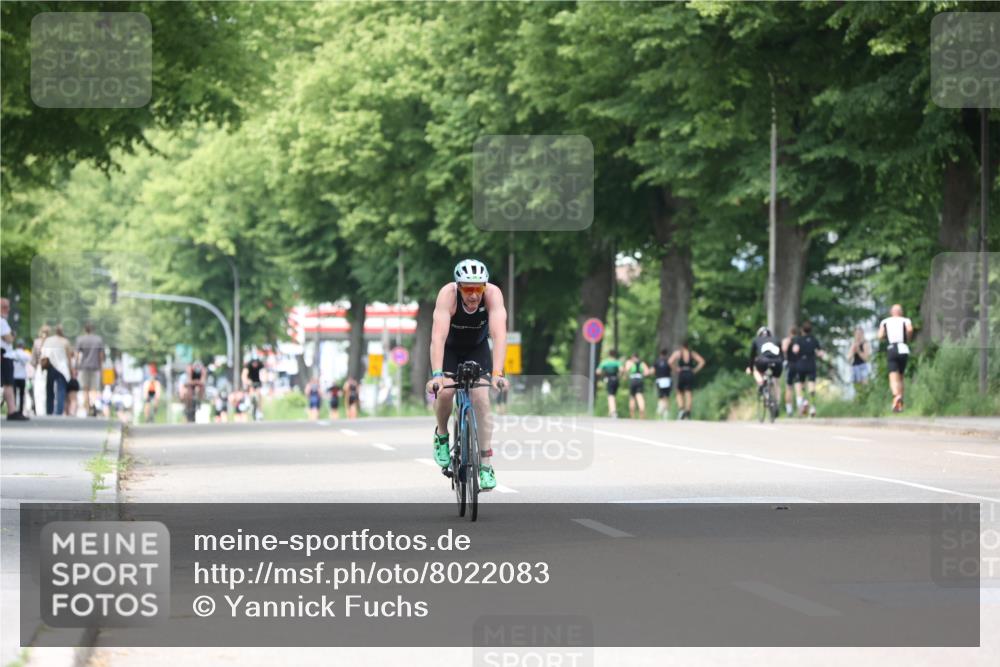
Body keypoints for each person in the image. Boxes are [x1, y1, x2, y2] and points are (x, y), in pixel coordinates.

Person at [424, 258, 508, 492]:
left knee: (481, 399)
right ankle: (441, 434)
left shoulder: (493, 295)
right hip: (449, 348)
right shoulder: (447, 296)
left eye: (478, 288)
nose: (473, 295)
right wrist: (437, 375)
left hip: (476, 348)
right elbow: (438, 337)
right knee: (445, 393)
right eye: (468, 289)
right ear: (459, 287)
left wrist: (498, 373)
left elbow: (499, 335)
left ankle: (486, 465)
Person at [878, 304, 913, 413]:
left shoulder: (885, 321)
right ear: (900, 312)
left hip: (892, 348)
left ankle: (896, 396)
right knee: (901, 377)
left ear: (891, 312)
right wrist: (908, 337)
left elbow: (879, 336)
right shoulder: (905, 320)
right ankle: (900, 404)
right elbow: (910, 330)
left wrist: (884, 336)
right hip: (903, 348)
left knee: (893, 377)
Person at [792, 320, 827, 417]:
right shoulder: (814, 339)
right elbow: (820, 353)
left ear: (802, 330)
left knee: (799, 385)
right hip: (811, 364)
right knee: (811, 386)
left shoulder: (798, 339)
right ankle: (812, 407)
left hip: (801, 364)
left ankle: (802, 403)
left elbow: (795, 350)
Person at [1, 298, 26, 420]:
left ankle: (12, 409)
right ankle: (11, 410)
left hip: (4, 356)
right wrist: (13, 335)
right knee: (8, 384)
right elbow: (8, 339)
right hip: (5, 356)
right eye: (4, 307)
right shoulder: (2, 322)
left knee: (7, 384)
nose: (7, 309)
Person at [41, 325, 74, 416]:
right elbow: (69, 358)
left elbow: (43, 353)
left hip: (50, 366)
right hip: (62, 368)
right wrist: (71, 371)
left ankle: (49, 410)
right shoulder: (65, 341)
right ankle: (59, 411)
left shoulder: (49, 340)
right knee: (61, 390)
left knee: (49, 389)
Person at [747, 326, 784, 406]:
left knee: (755, 369)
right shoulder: (776, 339)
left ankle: (761, 383)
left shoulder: (756, 340)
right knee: (776, 380)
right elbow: (782, 355)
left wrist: (750, 368)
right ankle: (777, 403)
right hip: (777, 362)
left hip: (763, 361)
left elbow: (752, 357)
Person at [669, 340, 705, 420]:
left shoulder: (678, 353)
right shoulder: (692, 353)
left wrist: (675, 369)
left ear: (682, 346)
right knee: (688, 393)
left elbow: (670, 361)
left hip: (682, 373)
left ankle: (681, 409)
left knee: (679, 392)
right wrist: (695, 370)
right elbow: (702, 361)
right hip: (690, 373)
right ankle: (688, 412)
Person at [75, 322, 105, 417]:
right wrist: (101, 367)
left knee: (85, 389)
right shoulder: (98, 340)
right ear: (93, 329)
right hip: (95, 367)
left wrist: (76, 365)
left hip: (83, 367)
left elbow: (77, 354)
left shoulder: (80, 339)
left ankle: (87, 408)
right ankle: (92, 406)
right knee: (93, 388)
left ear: (85, 329)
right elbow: (101, 355)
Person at [597, 349, 622, 418]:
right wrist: (619, 376)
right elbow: (621, 370)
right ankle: (611, 411)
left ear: (609, 354)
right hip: (616, 379)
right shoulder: (617, 362)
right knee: (613, 395)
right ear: (615, 354)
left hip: (609, 379)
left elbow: (598, 371)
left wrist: (603, 376)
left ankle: (613, 411)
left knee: (610, 396)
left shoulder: (605, 362)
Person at [624, 352, 650, 419]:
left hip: (632, 380)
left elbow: (626, 370)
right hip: (639, 380)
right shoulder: (642, 363)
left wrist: (626, 376)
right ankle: (642, 412)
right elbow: (647, 372)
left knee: (632, 397)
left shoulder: (629, 362)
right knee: (640, 396)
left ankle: (632, 415)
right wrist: (642, 375)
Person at [31, 325, 50, 416]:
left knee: (39, 391)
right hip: (46, 368)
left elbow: (33, 360)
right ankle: (43, 411)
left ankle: (40, 411)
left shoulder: (37, 342)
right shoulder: (50, 342)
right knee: (43, 390)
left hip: (41, 367)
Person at [781, 326, 799, 417]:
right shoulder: (800, 340)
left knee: (789, 388)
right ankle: (800, 406)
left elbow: (784, 349)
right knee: (799, 386)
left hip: (790, 365)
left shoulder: (787, 340)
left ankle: (789, 409)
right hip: (799, 365)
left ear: (790, 333)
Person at [10, 339, 31, 416]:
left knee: (14, 395)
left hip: (14, 376)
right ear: (23, 346)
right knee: (22, 395)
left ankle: (13, 409)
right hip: (22, 377)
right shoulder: (26, 354)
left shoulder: (12, 354)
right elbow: (30, 361)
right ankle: (21, 411)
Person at [652, 349, 672, 419]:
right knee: (666, 396)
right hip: (667, 380)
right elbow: (671, 369)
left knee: (660, 396)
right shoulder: (669, 361)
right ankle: (666, 412)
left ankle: (660, 409)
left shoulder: (657, 361)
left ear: (660, 353)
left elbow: (653, 371)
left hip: (659, 380)